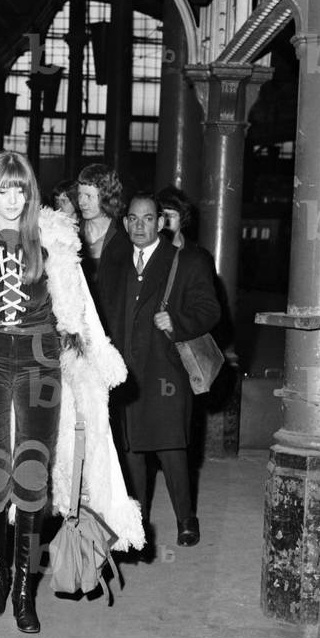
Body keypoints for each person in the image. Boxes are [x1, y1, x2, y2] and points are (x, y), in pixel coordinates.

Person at [0, 152, 142, 633]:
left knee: (33, 472)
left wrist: (96, 368)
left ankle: (24, 587)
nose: (13, 199)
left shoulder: (55, 237)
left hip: (40, 360)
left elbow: (80, 313)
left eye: (21, 189)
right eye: (4, 189)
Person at [97, 191, 221, 548]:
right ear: (124, 223)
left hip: (166, 368)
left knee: (171, 445)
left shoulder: (186, 261)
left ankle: (186, 519)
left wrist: (178, 321)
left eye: (148, 219)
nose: (140, 226)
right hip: (125, 369)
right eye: (133, 219)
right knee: (132, 446)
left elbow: (209, 309)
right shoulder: (115, 261)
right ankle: (139, 523)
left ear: (160, 222)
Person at [75, 163, 123, 288]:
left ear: (107, 197)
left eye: (88, 196)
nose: (81, 202)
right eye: (79, 194)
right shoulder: (72, 233)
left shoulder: (124, 235)